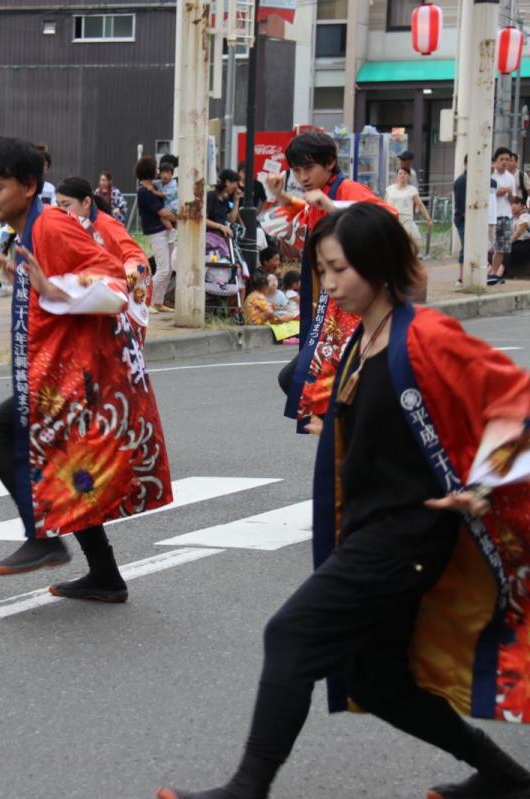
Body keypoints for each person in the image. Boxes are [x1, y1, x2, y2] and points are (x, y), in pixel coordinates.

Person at [157, 202, 530, 799]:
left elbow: (516, 399)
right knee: (379, 683)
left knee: (291, 635)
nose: (329, 285)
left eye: (339, 270)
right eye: (322, 272)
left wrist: (485, 481)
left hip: (404, 537)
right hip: (368, 529)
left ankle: (247, 789)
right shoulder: (366, 337)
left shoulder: (425, 335)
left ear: (378, 265)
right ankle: (507, 778)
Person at [0, 137, 173, 601]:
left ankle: (45, 538)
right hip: (58, 372)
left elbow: (114, 283)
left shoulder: (51, 228)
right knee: (68, 465)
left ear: (27, 186)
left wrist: (57, 288)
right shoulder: (33, 228)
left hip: (75, 375)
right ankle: (104, 575)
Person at [263, 131, 395, 429]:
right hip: (326, 306)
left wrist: (331, 207)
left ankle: (351, 432)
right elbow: (302, 226)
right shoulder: (321, 194)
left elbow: (387, 217)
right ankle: (348, 433)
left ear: (330, 162)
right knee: (309, 382)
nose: (302, 176)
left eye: (308, 168)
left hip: (350, 310)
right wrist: (283, 197)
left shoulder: (347, 189)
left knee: (305, 380)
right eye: (296, 170)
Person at [55, 175, 152, 341]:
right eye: (58, 205)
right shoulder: (75, 225)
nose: (62, 211)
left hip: (118, 301)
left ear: (86, 203)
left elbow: (138, 260)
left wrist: (118, 286)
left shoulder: (106, 225)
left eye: (66, 205)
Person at [135, 157, 176, 312]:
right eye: (156, 169)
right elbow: (162, 211)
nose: (158, 172)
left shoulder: (153, 188)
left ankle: (158, 302)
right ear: (150, 171)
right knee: (163, 269)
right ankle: (145, 300)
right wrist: (181, 217)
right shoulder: (144, 192)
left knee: (169, 268)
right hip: (156, 232)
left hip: (165, 230)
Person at [385, 165, 431, 257]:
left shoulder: (412, 190)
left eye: (405, 174)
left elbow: (420, 205)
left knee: (404, 242)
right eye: (400, 173)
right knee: (392, 242)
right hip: (392, 219)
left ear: (408, 176)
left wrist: (428, 219)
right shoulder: (390, 189)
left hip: (406, 220)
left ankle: (406, 261)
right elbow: (384, 204)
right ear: (397, 176)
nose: (402, 175)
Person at [490, 147, 516, 285]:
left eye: (507, 159)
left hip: (506, 214)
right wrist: (497, 192)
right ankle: (486, 272)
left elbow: (512, 201)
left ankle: (494, 273)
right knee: (490, 245)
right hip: (493, 216)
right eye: (502, 159)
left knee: (502, 247)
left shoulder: (511, 178)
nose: (505, 162)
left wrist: (510, 194)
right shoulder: (490, 176)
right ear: (496, 160)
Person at [206, 169, 241, 249]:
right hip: (211, 238)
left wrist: (236, 200)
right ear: (228, 182)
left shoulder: (225, 199)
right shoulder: (211, 196)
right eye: (235, 183)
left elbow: (231, 220)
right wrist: (220, 227)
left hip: (223, 237)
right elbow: (204, 220)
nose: (236, 187)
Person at [453, 156, 467, 285]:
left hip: (471, 220)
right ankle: (461, 276)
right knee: (466, 246)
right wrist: (466, 215)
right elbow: (460, 203)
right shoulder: (461, 181)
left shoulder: (477, 179)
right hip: (463, 219)